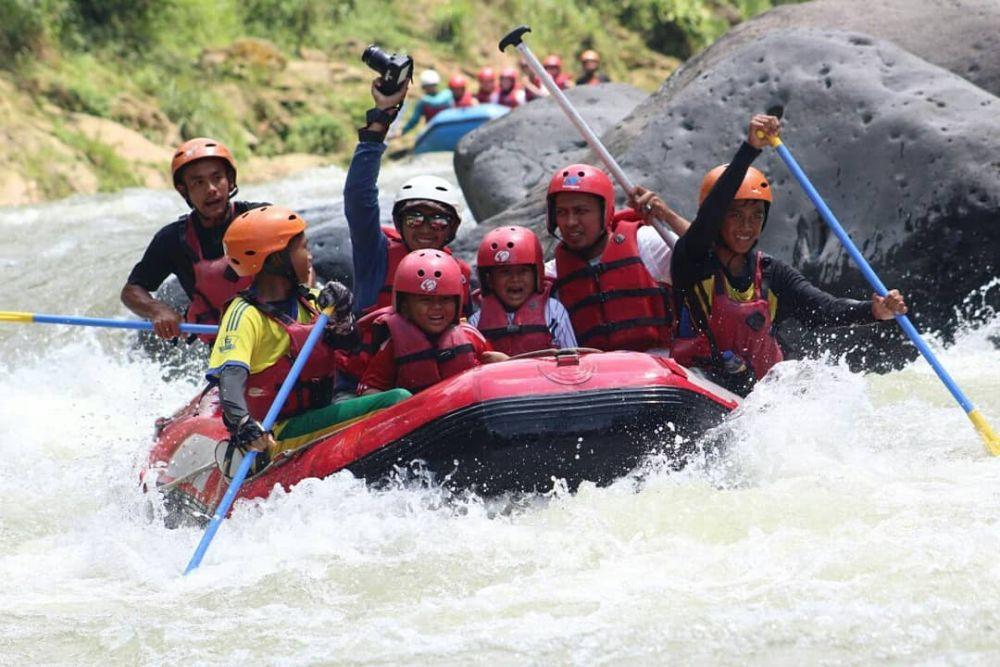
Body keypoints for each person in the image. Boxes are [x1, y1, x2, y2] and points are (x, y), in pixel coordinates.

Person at [669, 114, 908, 395]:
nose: (747, 227)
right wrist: (749, 149)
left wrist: (874, 311)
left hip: (758, 402)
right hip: (702, 389)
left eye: (756, 216)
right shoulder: (692, 261)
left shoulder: (771, 273)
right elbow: (710, 213)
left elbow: (825, 309)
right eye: (735, 215)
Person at [207, 205, 410, 475]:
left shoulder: (311, 300)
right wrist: (243, 424)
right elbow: (230, 380)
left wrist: (343, 316)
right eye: (303, 248)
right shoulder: (244, 314)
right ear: (275, 260)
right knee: (397, 399)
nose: (311, 256)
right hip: (276, 429)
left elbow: (351, 344)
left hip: (317, 412)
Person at [343, 76, 473, 315]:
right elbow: (358, 198)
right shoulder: (375, 256)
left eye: (438, 220)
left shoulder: (459, 273)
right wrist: (379, 122)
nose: (425, 228)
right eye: (414, 218)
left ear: (452, 227)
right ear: (400, 224)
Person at [121, 137, 267, 340]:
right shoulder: (172, 240)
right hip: (224, 347)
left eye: (217, 178)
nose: (211, 189)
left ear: (230, 180)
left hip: (275, 335)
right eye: (198, 182)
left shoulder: (263, 218)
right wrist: (157, 310)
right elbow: (131, 290)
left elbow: (303, 267)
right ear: (184, 191)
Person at [544, 163, 690, 353]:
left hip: (658, 372)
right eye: (562, 213)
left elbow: (711, 254)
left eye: (581, 211)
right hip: (599, 378)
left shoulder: (646, 243)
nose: (570, 222)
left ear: (605, 213)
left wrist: (667, 215)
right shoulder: (552, 274)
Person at [357, 250, 507, 394]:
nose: (436, 307)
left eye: (445, 299)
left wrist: (506, 364)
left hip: (465, 412)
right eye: (426, 300)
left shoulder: (470, 336)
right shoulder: (393, 345)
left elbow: (497, 371)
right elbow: (369, 389)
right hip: (419, 415)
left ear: (457, 302)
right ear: (405, 306)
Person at [469, 226, 577, 355]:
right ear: (489, 280)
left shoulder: (553, 311)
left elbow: (572, 360)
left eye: (523, 271)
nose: (515, 279)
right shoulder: (476, 322)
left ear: (537, 274)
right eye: (505, 272)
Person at [399, 69, 454, 136]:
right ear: (424, 87)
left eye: (432, 85)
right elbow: (414, 120)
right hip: (434, 131)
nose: (430, 88)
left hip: (449, 127)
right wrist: (403, 131)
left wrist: (421, 98)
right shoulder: (422, 103)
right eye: (427, 86)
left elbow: (436, 102)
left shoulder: (446, 94)